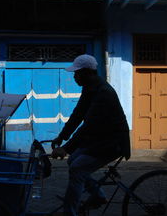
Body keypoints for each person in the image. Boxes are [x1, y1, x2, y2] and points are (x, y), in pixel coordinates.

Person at [51, 54, 131, 216]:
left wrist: (65, 148)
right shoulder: (90, 88)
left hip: (113, 143)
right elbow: (78, 114)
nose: (74, 76)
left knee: (77, 168)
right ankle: (98, 196)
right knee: (73, 160)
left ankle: (70, 212)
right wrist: (61, 137)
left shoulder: (103, 93)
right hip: (100, 140)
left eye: (76, 73)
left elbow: (88, 126)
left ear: (87, 73)